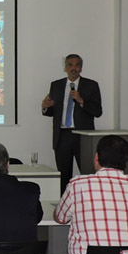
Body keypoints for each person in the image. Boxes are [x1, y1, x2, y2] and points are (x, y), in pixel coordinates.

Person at [41, 54, 103, 194]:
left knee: (87, 174)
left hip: (83, 136)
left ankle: (89, 203)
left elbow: (98, 111)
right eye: (70, 65)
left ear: (81, 67)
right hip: (62, 136)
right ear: (65, 67)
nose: (73, 68)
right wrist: (46, 107)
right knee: (63, 176)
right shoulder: (56, 85)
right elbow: (51, 112)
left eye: (76, 65)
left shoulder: (91, 85)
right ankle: (64, 205)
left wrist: (81, 101)